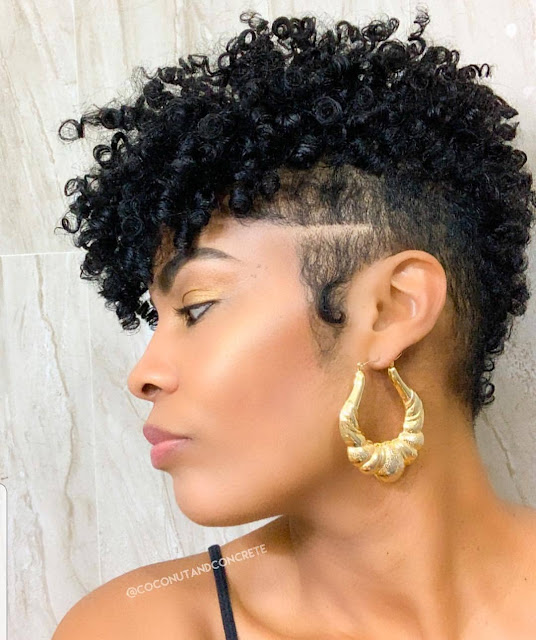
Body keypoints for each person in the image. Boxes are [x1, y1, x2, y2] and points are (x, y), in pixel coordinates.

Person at [52, 7, 536, 639]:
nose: (143, 375)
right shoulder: (136, 628)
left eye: (196, 308)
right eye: (158, 318)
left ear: (391, 310)